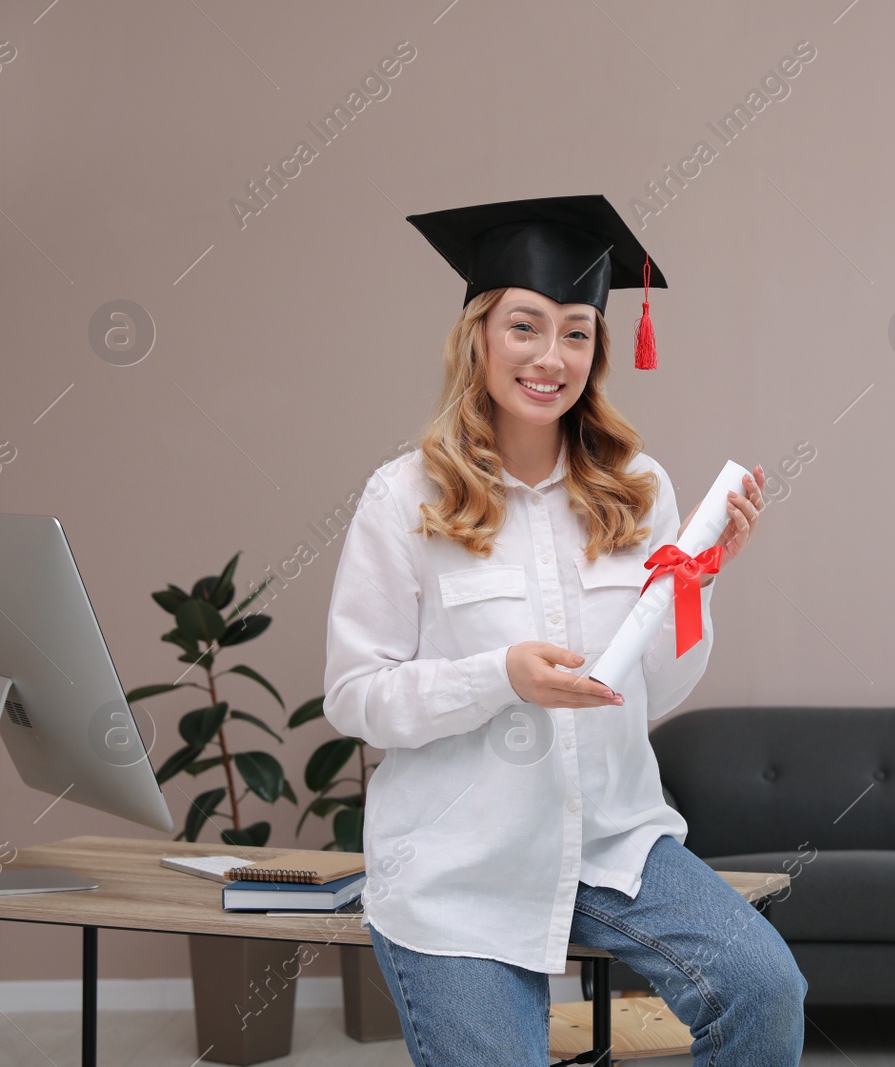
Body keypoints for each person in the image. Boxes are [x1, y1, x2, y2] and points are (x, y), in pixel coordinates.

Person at [321, 194, 807, 1065]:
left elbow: (651, 688)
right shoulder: (404, 499)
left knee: (765, 989)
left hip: (612, 840)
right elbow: (357, 697)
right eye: (526, 326)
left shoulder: (640, 487)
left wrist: (696, 581)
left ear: (599, 348)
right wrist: (498, 674)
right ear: (478, 334)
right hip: (457, 864)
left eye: (576, 332)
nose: (551, 358)